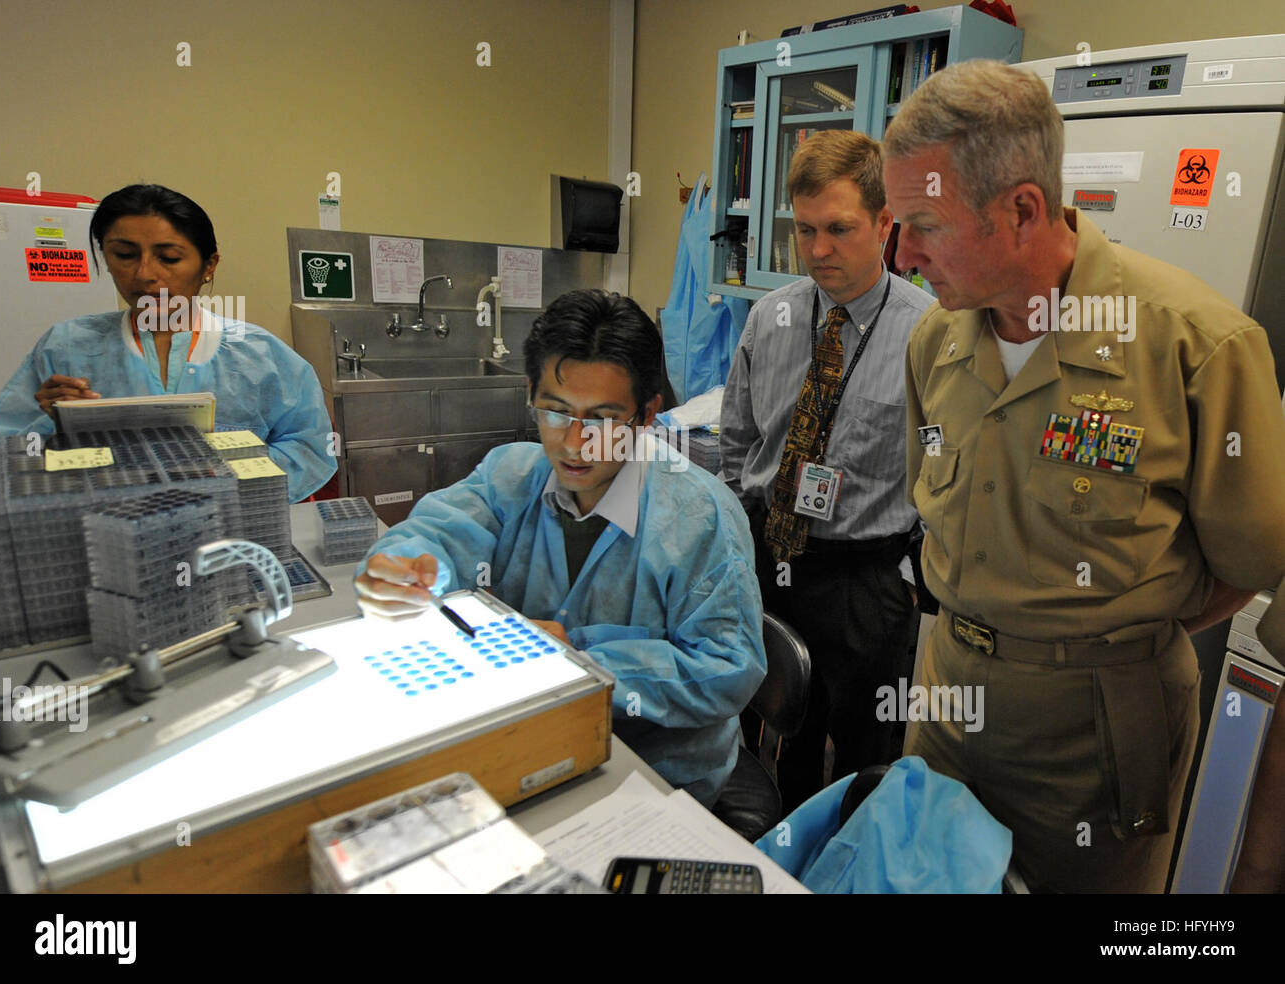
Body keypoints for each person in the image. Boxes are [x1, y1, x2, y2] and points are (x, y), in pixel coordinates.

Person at [882, 59, 1285, 892]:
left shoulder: (1195, 345)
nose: (901, 252)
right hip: (948, 696)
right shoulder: (937, 341)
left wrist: (1105, 641)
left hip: (1094, 732)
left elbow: (1248, 568)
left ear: (1022, 210)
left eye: (924, 222)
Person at [354, 289, 767, 806]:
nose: (573, 444)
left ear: (646, 415)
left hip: (650, 776)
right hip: (527, 747)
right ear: (530, 393)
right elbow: (437, 534)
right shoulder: (509, 475)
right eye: (555, 411)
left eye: (600, 420)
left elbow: (728, 670)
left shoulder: (701, 519)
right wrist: (406, 571)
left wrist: (581, 657)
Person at [720, 130, 933, 812]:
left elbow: (947, 471)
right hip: (767, 560)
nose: (817, 250)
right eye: (804, 229)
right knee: (763, 728)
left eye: (839, 229)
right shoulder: (770, 318)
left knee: (860, 757)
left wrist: (907, 578)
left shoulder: (931, 334)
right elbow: (737, 439)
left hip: (863, 583)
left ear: (884, 225)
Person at [0, 184, 336, 502]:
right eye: (124, 254)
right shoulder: (66, 347)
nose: (144, 274)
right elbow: (3, 451)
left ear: (208, 265)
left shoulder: (260, 354)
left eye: (168, 258)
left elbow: (309, 447)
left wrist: (223, 474)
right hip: (105, 534)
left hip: (231, 533)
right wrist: (51, 423)